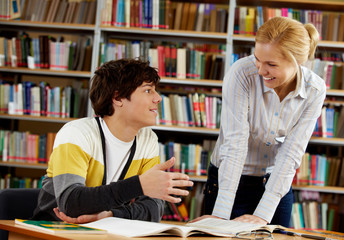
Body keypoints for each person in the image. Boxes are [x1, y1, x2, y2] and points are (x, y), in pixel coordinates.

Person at [193, 16, 326, 227]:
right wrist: (220, 214)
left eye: (271, 64)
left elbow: (292, 151)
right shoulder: (242, 74)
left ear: (297, 62)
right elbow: (235, 143)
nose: (260, 70)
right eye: (257, 59)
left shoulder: (315, 90)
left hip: (274, 183)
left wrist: (264, 213)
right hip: (229, 179)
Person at [32, 58, 193, 223]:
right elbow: (71, 204)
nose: (158, 98)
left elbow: (154, 210)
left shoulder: (147, 139)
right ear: (118, 98)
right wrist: (138, 185)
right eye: (147, 90)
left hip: (103, 231)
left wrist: (111, 215)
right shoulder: (77, 133)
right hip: (53, 230)